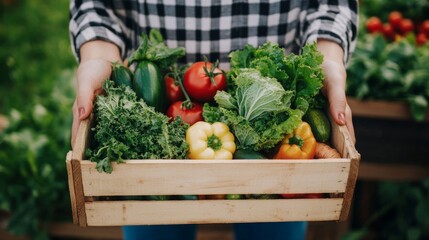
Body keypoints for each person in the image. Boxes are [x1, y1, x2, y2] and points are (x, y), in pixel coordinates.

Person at [69, 1, 358, 240]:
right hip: (156, 95)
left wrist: (327, 58)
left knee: (274, 225)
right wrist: (98, 55)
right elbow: (96, 5)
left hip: (277, 146)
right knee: (154, 221)